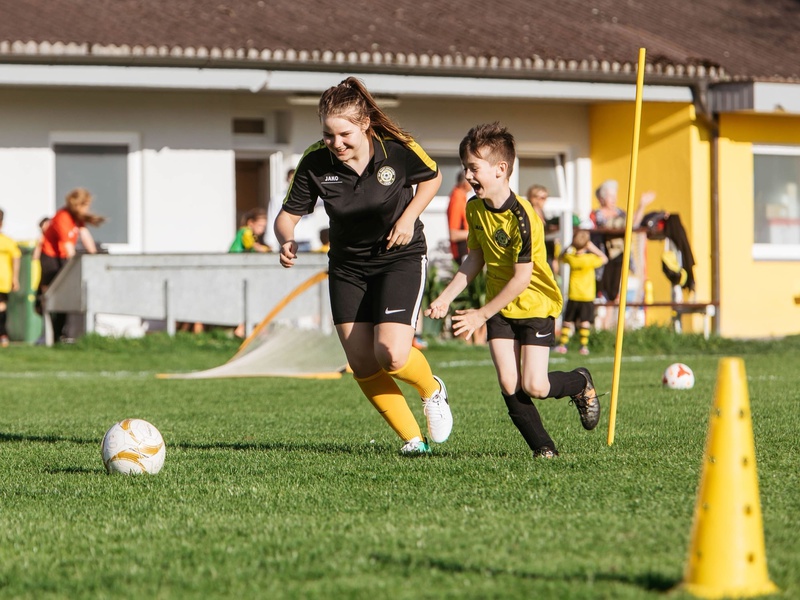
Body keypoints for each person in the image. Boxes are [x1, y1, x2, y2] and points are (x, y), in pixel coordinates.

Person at [274, 76, 451, 455]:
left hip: (399, 258)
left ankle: (432, 390)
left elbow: (433, 178)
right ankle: (412, 441)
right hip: (347, 267)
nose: (335, 143)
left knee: (391, 354)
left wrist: (408, 219)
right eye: (328, 135)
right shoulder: (314, 161)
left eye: (344, 134)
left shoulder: (398, 149)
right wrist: (285, 239)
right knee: (361, 361)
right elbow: (287, 216)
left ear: (364, 125)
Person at [425, 123, 600, 459]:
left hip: (534, 303)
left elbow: (522, 278)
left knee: (536, 385)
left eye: (474, 168)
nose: (467, 175)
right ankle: (544, 449)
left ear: (500, 169)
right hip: (500, 306)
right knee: (509, 383)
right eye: (465, 167)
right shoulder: (474, 209)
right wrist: (446, 298)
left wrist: (480, 313)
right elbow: (475, 257)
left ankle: (579, 382)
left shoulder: (524, 217)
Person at [38, 188, 105, 342]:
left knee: (64, 296)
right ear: (78, 205)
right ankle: (48, 335)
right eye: (86, 205)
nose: (88, 208)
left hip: (62, 258)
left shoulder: (76, 218)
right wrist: (75, 267)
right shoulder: (63, 218)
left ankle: (59, 334)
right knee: (52, 296)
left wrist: (94, 257)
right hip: (51, 259)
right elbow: (68, 249)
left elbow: (85, 235)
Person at [590, 179, 655, 303]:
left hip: (620, 255)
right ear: (602, 198)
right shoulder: (597, 214)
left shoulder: (620, 213)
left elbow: (633, 224)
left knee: (615, 291)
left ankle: (609, 321)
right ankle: (602, 321)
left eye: (615, 196)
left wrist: (642, 205)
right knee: (602, 290)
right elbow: (609, 226)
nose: (614, 199)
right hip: (603, 257)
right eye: (610, 196)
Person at [554, 229, 608, 356]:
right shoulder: (590, 259)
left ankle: (563, 345)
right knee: (585, 321)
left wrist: (570, 245)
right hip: (587, 295)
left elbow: (561, 257)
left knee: (568, 320)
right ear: (587, 244)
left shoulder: (571, 257)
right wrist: (592, 247)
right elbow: (604, 258)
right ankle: (583, 346)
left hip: (573, 294)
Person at [0, 208, 21, 347]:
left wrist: (15, 278)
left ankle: (3, 335)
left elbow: (16, 258)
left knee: (1, 308)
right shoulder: (7, 241)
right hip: (4, 280)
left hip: (3, 281)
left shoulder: (7, 241)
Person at [447, 172, 473, 264]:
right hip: (462, 252)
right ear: (465, 183)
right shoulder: (457, 199)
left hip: (466, 251)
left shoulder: (462, 197)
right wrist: (476, 233)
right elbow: (454, 235)